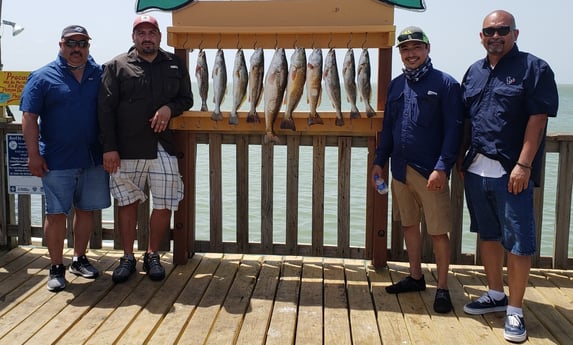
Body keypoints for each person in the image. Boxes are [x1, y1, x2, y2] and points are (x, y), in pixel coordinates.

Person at [460, 10, 558, 343]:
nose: (495, 35)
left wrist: (524, 164)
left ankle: (515, 310)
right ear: (481, 36)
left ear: (515, 33)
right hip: (475, 169)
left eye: (503, 29)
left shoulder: (535, 68)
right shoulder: (473, 72)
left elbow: (538, 120)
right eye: (489, 31)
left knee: (518, 243)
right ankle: (495, 293)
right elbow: (465, 120)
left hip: (512, 172)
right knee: (488, 235)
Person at [371, 26, 463, 314]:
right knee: (409, 225)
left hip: (430, 171)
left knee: (437, 232)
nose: (411, 54)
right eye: (405, 49)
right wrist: (379, 161)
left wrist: (441, 167)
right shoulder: (395, 85)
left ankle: (444, 288)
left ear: (427, 49)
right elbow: (388, 128)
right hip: (399, 169)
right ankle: (415, 276)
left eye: (416, 48)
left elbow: (454, 131)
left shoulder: (446, 84)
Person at [98, 14, 193, 283]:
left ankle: (152, 255)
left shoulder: (174, 64)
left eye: (151, 32)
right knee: (127, 203)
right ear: (133, 37)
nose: (147, 37)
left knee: (165, 204)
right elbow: (104, 111)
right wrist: (109, 148)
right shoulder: (116, 66)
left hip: (163, 147)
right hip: (126, 148)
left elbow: (186, 98)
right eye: (141, 33)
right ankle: (127, 256)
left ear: (159, 36)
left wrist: (169, 108)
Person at [20, 25, 111, 292]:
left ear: (88, 47)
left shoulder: (100, 74)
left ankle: (79, 259)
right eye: (71, 43)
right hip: (57, 160)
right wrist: (33, 155)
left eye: (83, 44)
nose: (77, 49)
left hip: (93, 158)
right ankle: (56, 266)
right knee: (56, 213)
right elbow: (28, 118)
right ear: (61, 45)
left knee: (86, 211)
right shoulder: (41, 77)